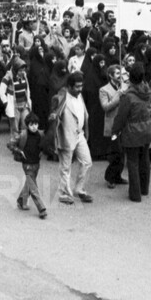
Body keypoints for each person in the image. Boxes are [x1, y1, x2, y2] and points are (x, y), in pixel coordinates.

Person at [45, 71, 93, 204]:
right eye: (77, 87)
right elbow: (55, 111)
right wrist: (54, 115)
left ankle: (79, 189)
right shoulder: (62, 97)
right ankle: (63, 193)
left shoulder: (80, 96)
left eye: (81, 86)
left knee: (87, 162)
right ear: (70, 86)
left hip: (79, 134)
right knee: (65, 167)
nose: (80, 89)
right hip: (66, 136)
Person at [110, 62, 151, 203]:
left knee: (133, 162)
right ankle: (144, 189)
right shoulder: (147, 91)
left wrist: (115, 131)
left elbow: (121, 117)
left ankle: (135, 194)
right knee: (144, 160)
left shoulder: (128, 96)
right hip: (146, 130)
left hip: (132, 132)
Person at [15, 113, 47, 219]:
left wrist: (42, 152)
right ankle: (41, 208)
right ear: (27, 125)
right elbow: (10, 144)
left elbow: (44, 145)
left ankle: (21, 199)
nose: (34, 127)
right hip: (27, 164)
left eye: (36, 124)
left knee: (30, 183)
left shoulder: (40, 135)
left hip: (36, 164)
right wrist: (19, 151)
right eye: (32, 124)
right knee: (33, 187)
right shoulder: (23, 135)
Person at [99, 63, 127, 189]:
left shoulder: (124, 86)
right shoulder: (104, 90)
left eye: (120, 73)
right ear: (110, 75)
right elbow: (106, 107)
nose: (120, 76)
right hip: (112, 125)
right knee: (116, 153)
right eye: (117, 73)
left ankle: (118, 176)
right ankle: (110, 177)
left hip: (124, 124)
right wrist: (118, 95)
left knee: (122, 154)